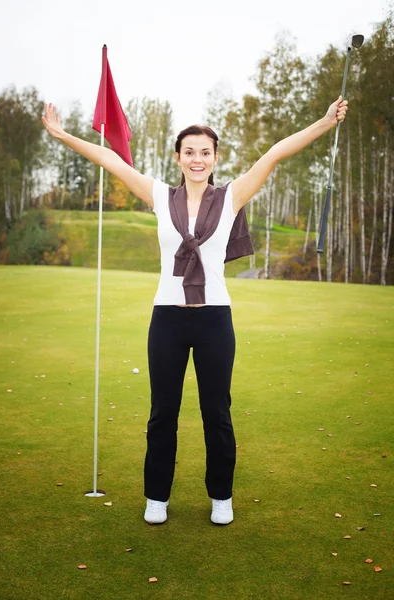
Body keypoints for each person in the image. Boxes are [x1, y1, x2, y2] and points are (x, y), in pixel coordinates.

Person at [41, 96, 348, 525]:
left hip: (214, 319)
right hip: (167, 318)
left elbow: (277, 151)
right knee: (162, 413)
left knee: (216, 413)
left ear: (215, 157)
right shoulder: (158, 195)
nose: (197, 159)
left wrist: (324, 121)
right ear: (178, 157)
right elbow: (110, 158)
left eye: (205, 152)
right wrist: (60, 134)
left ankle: (221, 496)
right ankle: (157, 497)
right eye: (190, 152)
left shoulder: (232, 196)